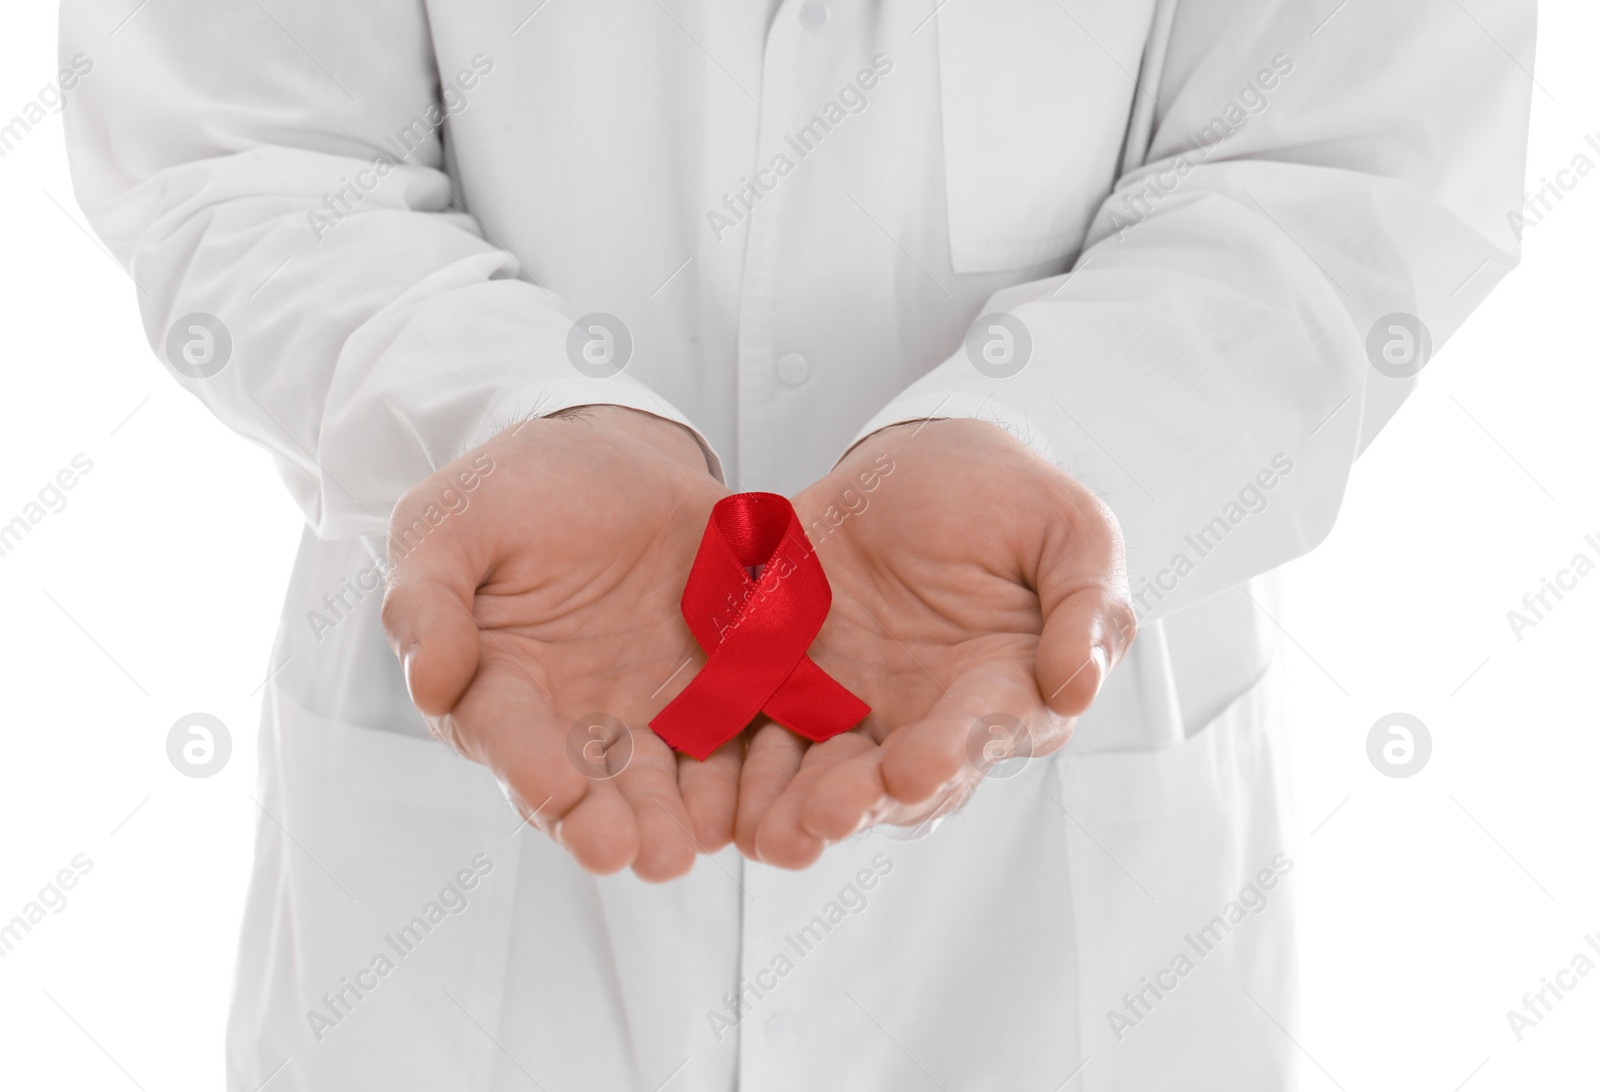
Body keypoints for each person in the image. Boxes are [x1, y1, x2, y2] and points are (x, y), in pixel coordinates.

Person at [62, 1, 1532, 1088]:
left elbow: (1347, 164)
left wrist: (1050, 440)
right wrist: (504, 411)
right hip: (470, 852)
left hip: (1064, 892)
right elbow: (241, 138)